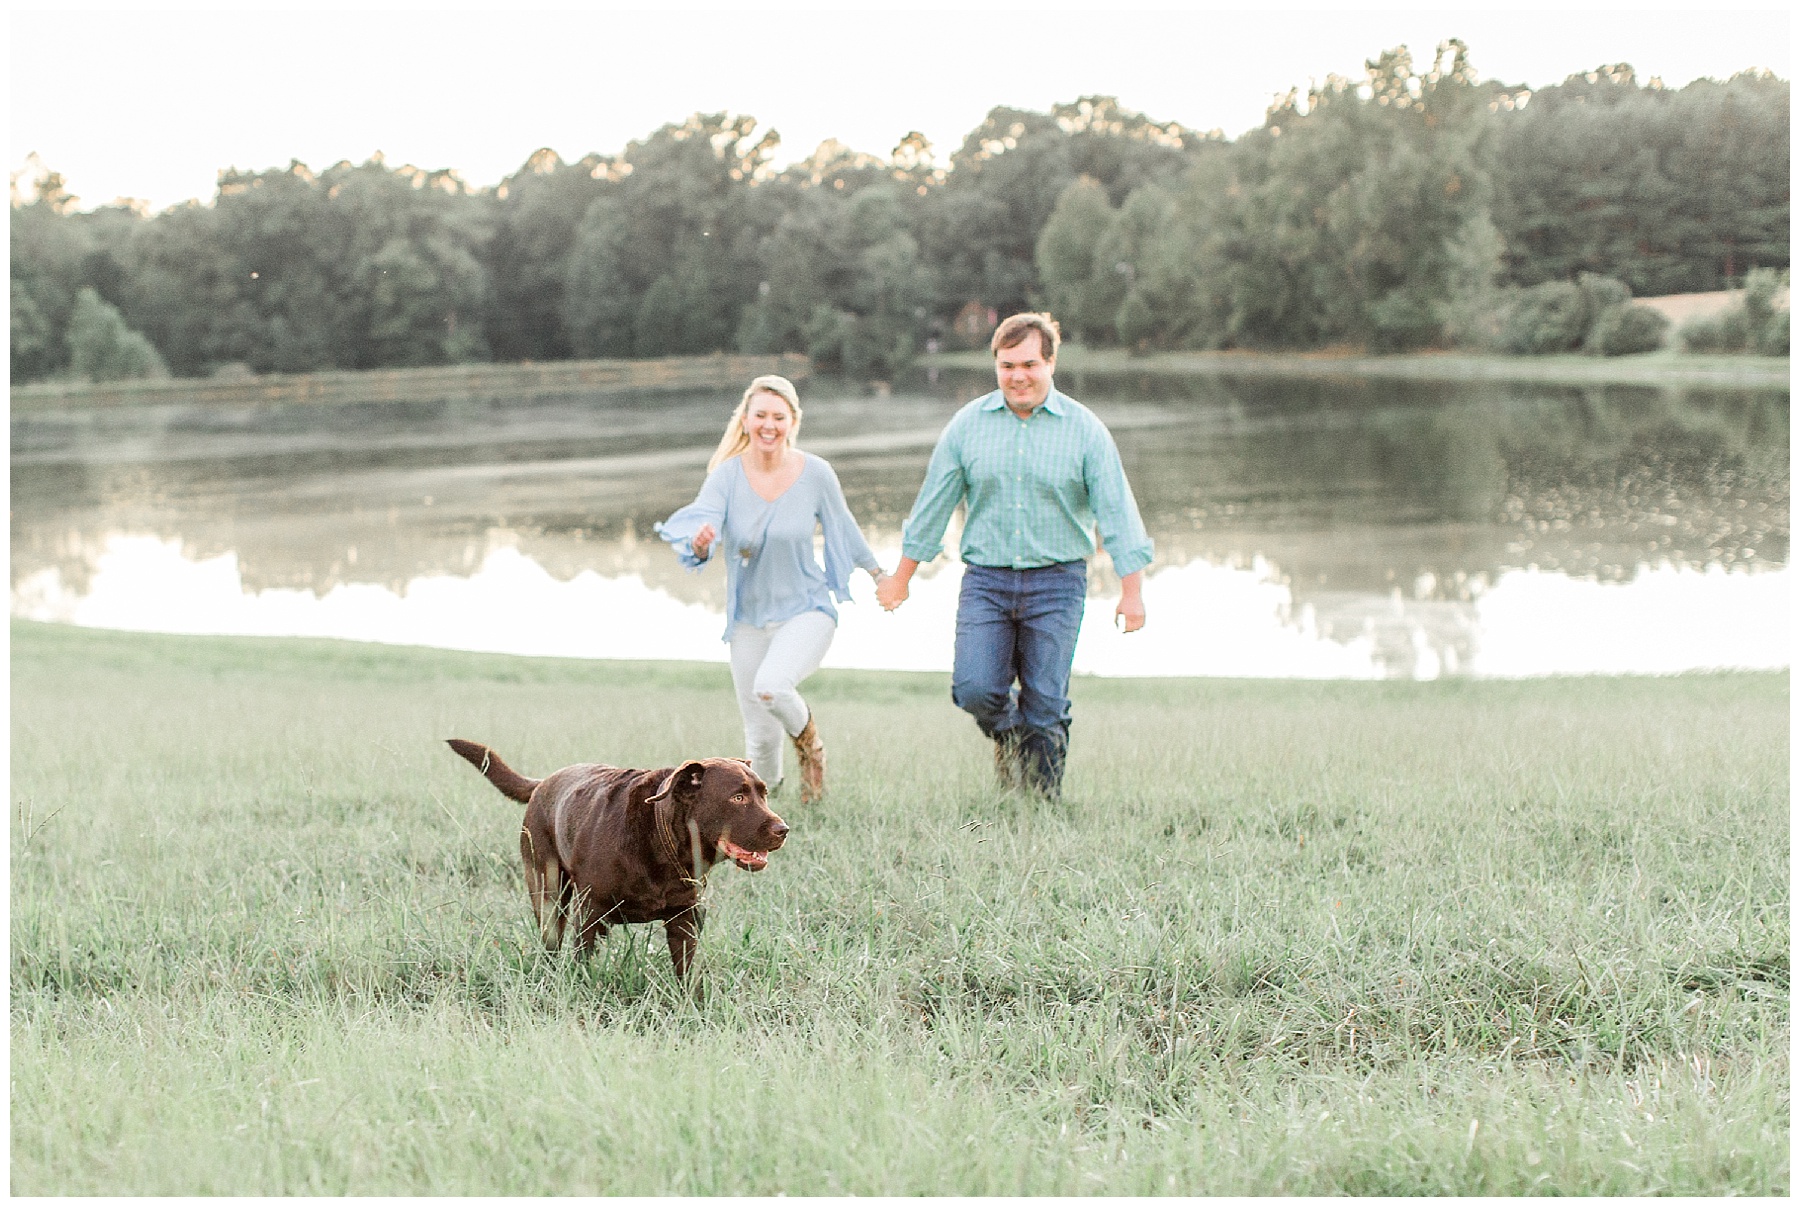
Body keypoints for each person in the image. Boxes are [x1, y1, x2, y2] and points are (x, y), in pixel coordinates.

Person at [876, 313, 1152, 799]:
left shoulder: (1085, 431)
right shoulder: (967, 427)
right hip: (987, 582)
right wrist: (901, 578)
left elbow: (1118, 514)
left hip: (1059, 582)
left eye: (1028, 363)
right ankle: (1009, 737)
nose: (1018, 376)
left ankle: (1042, 806)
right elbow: (931, 507)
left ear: (1050, 363)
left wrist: (1132, 593)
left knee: (1046, 704)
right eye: (1007, 365)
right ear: (996, 366)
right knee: (975, 690)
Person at [656, 375, 887, 804]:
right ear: (745, 420)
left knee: (773, 686)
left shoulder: (815, 473)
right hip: (747, 620)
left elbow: (844, 529)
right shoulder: (726, 477)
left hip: (807, 609)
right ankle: (768, 816)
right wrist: (699, 543)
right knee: (760, 740)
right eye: (760, 415)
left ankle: (812, 751)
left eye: (778, 416)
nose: (769, 424)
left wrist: (879, 576)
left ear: (792, 421)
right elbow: (699, 525)